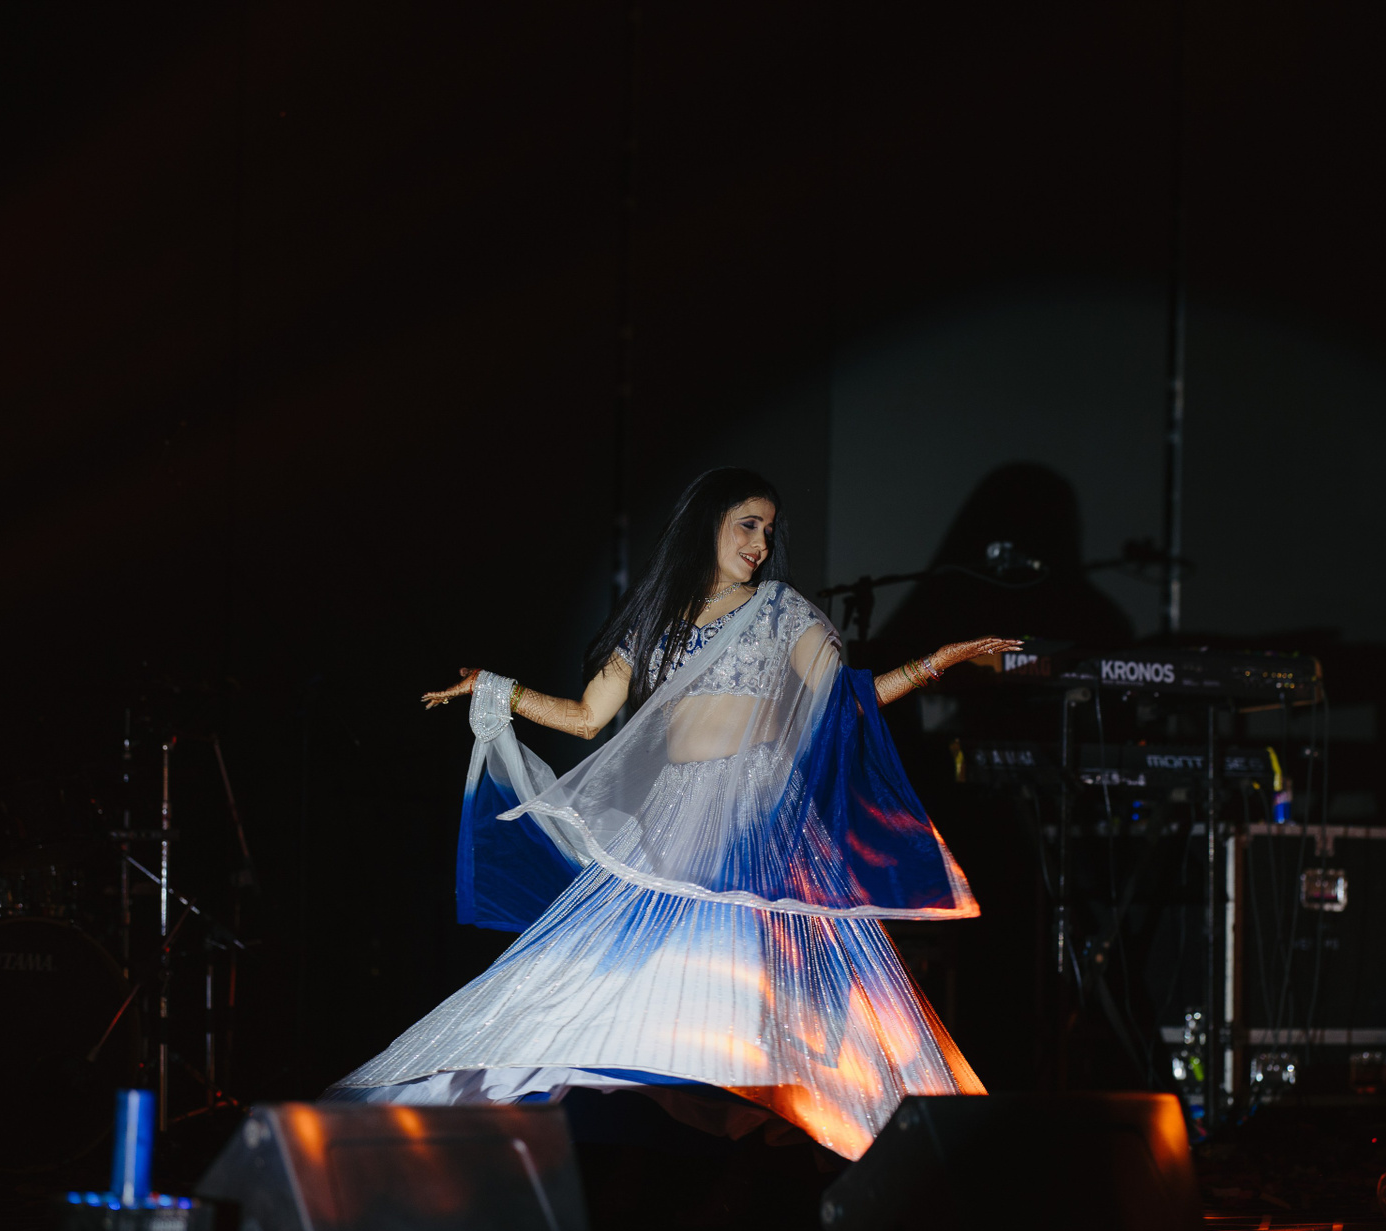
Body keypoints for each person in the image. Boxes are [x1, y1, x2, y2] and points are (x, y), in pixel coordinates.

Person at [326, 468, 1020, 1160]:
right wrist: (499, 689)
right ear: (708, 522)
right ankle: (423, 1116)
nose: (760, 544)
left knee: (785, 1001)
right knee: (590, 986)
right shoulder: (656, 619)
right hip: (673, 821)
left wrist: (935, 663)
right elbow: (587, 717)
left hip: (755, 818)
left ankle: (916, 1152)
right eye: (747, 525)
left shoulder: (781, 610)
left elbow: (845, 701)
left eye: (768, 530)